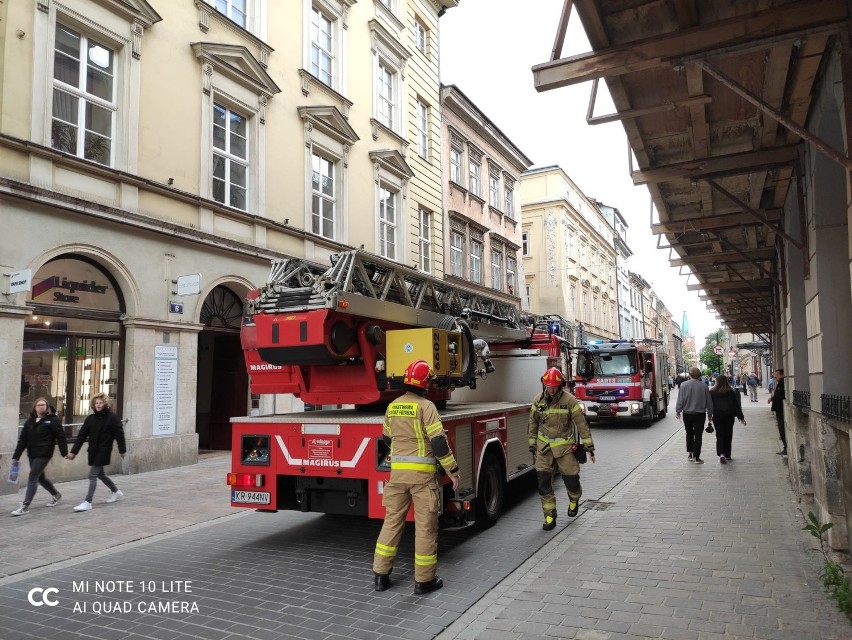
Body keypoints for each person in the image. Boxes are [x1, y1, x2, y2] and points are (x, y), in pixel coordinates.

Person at [372, 360, 460, 595]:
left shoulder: (393, 406)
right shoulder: (426, 407)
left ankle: (381, 575)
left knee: (391, 522)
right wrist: (452, 471)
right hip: (422, 479)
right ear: (426, 383)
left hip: (398, 476)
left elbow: (387, 439)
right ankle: (424, 581)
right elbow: (439, 442)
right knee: (425, 528)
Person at [528, 367, 595, 531]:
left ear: (560, 385)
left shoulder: (569, 400)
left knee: (572, 480)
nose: (550, 389)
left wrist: (589, 447)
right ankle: (550, 516)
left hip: (565, 449)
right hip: (544, 449)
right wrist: (532, 445)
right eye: (548, 386)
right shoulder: (538, 400)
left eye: (554, 386)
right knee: (543, 483)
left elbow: (581, 424)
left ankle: (574, 500)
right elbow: (533, 423)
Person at [66, 393, 126, 511]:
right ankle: (115, 491)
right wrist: (73, 452)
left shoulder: (113, 418)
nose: (98, 405)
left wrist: (122, 450)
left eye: (100, 403)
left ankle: (88, 502)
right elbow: (81, 436)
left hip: (104, 450)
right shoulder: (90, 419)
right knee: (101, 474)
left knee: (92, 475)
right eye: (96, 403)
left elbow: (120, 435)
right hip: (93, 450)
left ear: (105, 404)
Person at [10, 398, 68, 516]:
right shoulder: (30, 421)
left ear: (46, 407)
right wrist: (16, 456)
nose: (41, 407)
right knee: (40, 478)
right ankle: (56, 495)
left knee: (33, 476)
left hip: (44, 453)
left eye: (43, 405)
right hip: (32, 453)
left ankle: (25, 505)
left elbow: (61, 437)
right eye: (39, 405)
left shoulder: (52, 420)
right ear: (35, 407)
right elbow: (22, 440)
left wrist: (64, 452)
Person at [675, 367, 714, 464]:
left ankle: (690, 453)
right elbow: (709, 401)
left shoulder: (683, 385)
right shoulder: (704, 386)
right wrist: (710, 414)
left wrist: (678, 411)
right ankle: (697, 457)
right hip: (700, 414)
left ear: (690, 374)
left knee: (689, 433)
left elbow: (680, 399)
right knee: (698, 435)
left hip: (687, 414)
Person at [709, 375, 746, 463]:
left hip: (717, 416)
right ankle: (728, 454)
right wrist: (741, 418)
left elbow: (710, 405)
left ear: (717, 381)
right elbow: (736, 405)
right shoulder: (730, 391)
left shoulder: (712, 392)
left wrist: (709, 415)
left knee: (719, 435)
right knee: (728, 434)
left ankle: (721, 454)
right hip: (729, 416)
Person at [768, 369, 787, 455]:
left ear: (781, 375)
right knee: (781, 427)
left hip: (780, 409)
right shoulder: (780, 383)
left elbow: (781, 396)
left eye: (777, 374)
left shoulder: (782, 383)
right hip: (779, 409)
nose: (775, 376)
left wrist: (772, 398)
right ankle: (785, 446)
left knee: (782, 428)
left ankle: (785, 447)